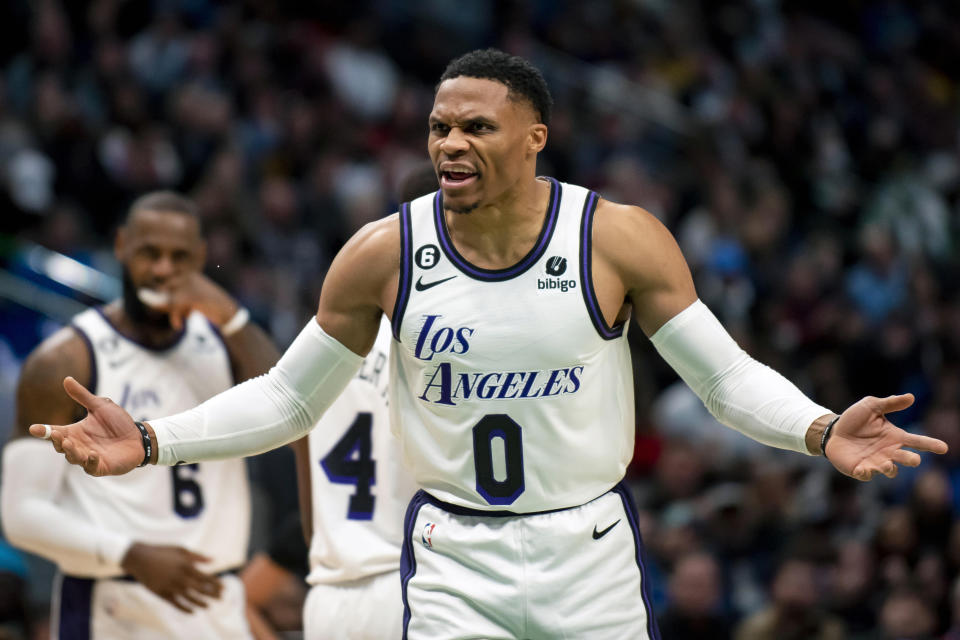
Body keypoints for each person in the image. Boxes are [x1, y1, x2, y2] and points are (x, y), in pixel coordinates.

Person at [32, 50, 948, 639]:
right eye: (439, 127)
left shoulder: (616, 238)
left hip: (587, 551)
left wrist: (819, 429)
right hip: (451, 559)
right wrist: (155, 440)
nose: (451, 143)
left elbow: (722, 378)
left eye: (477, 126)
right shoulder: (383, 252)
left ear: (535, 140)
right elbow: (288, 400)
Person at [1, 191, 279, 639]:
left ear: (202, 258)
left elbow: (292, 402)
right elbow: (20, 514)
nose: (163, 269)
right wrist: (127, 553)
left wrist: (229, 314)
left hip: (216, 602)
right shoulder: (67, 360)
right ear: (120, 246)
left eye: (180, 257)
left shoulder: (226, 343)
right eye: (150, 252)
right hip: (112, 599)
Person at [242, 164, 435, 640]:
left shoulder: (333, 333)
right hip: (421, 585)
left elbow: (297, 438)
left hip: (331, 590)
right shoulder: (456, 340)